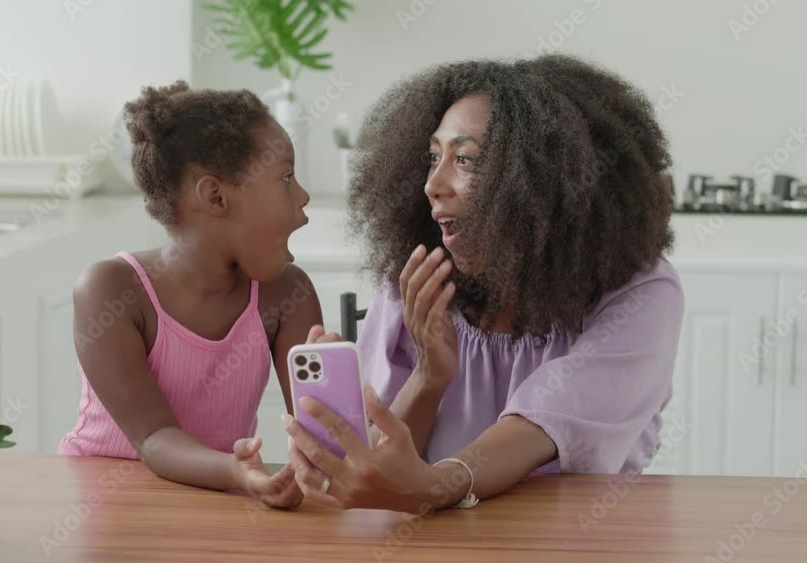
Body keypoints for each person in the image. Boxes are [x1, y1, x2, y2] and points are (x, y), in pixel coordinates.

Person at [283, 54, 685, 514]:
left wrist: (437, 484)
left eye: (465, 159)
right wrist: (428, 377)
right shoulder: (418, 277)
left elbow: (544, 422)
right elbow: (384, 463)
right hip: (435, 537)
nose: (433, 184)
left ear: (542, 182)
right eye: (433, 157)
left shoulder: (642, 292)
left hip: (584, 534)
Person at [59, 80, 321, 509]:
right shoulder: (111, 291)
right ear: (216, 196)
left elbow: (321, 435)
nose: (303, 196)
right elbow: (153, 438)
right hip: (107, 502)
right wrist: (237, 471)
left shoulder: (288, 295)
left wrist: (318, 447)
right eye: (286, 178)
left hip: (216, 504)